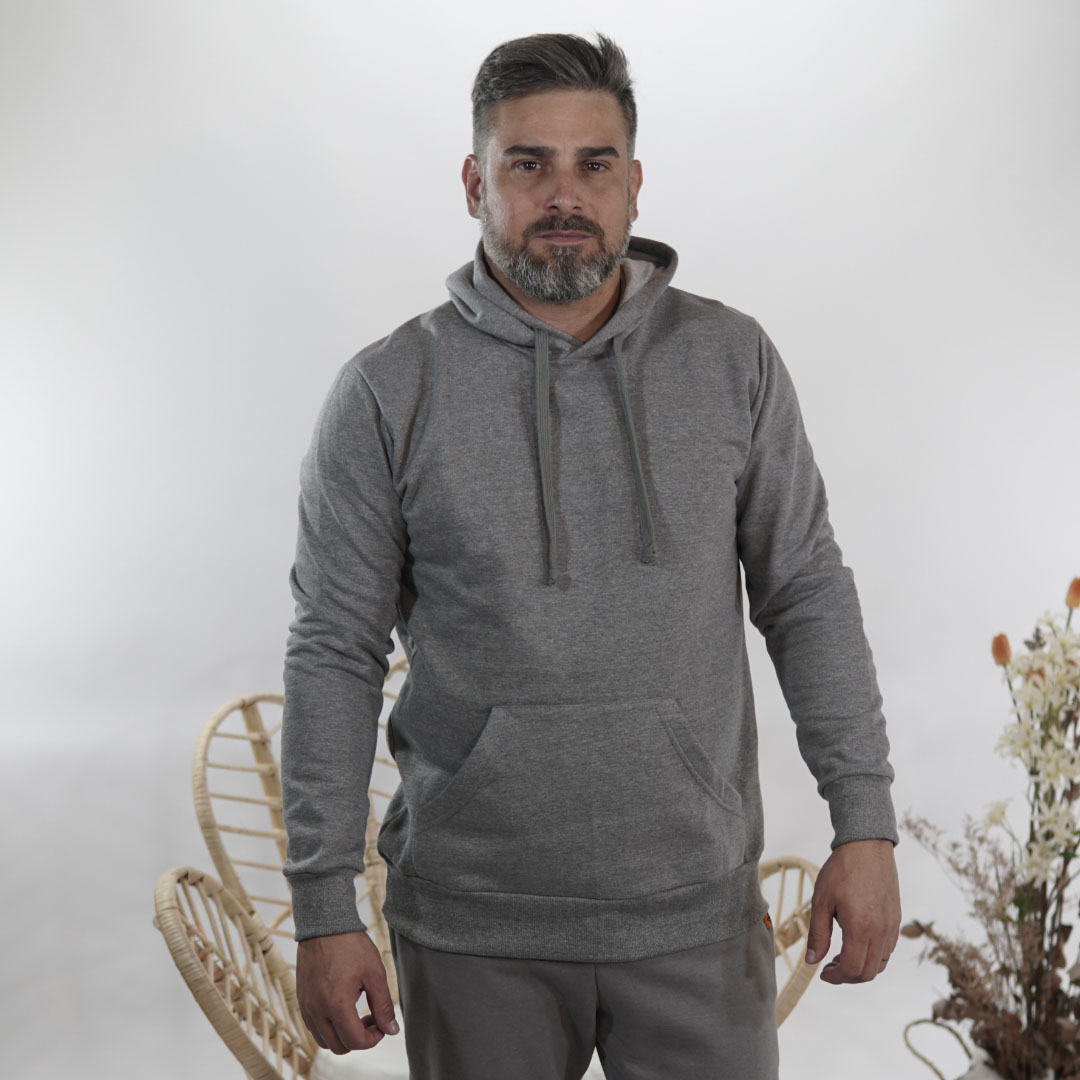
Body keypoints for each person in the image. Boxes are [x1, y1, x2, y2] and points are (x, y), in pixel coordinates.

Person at [280, 30, 901, 1080]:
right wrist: (322, 905)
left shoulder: (731, 359)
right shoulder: (387, 391)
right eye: (528, 163)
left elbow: (805, 595)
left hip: (696, 912)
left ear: (634, 185)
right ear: (474, 183)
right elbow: (334, 648)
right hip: (474, 926)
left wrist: (866, 823)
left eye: (594, 165)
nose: (564, 195)